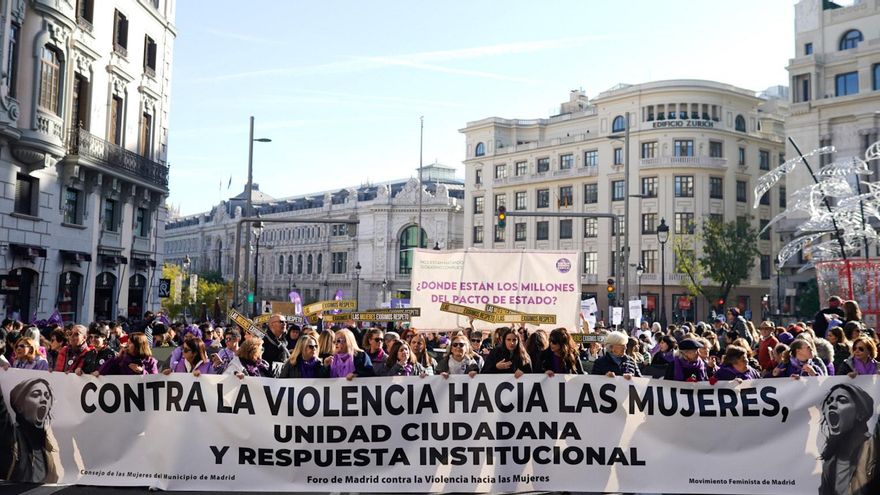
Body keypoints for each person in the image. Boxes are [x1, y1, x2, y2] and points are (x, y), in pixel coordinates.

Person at [818, 383, 879, 495]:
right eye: (829, 401)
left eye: (842, 400)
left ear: (860, 414)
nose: (832, 405)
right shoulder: (829, 464)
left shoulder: (874, 447)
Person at [0, 378, 60, 483]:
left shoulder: (48, 452)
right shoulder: (10, 436)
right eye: (36, 395)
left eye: (47, 396)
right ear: (19, 406)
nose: (44, 400)